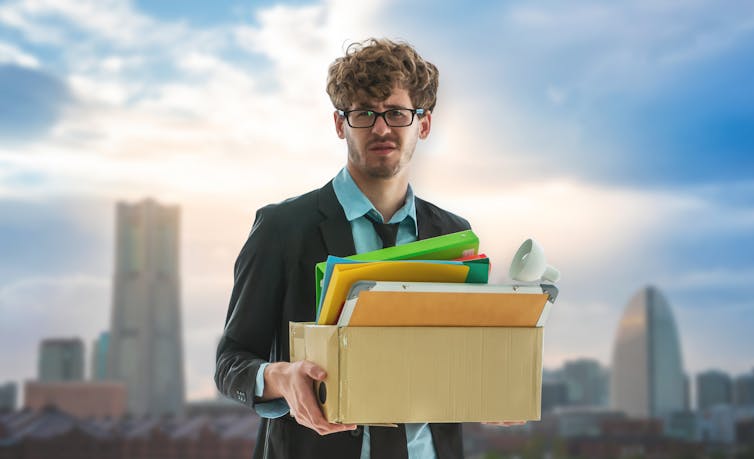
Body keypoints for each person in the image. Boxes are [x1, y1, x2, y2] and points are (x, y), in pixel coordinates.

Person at [215, 38, 520, 459]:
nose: (381, 128)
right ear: (340, 124)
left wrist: (496, 384)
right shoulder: (282, 228)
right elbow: (230, 361)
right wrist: (282, 377)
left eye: (396, 113)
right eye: (364, 114)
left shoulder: (453, 234)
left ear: (423, 124)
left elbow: (459, 358)